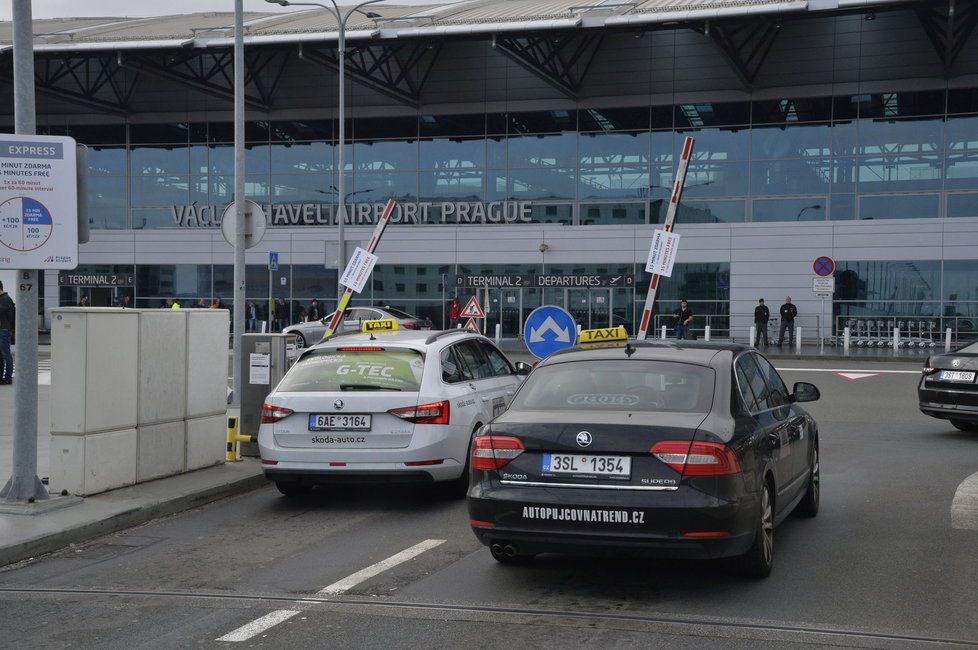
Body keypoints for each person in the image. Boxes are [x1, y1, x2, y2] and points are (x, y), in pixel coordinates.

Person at [0, 280, 14, 385]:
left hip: (4, 330)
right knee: (1, 354)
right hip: (3, 330)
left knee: (6, 354)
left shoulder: (5, 299)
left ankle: (8, 377)